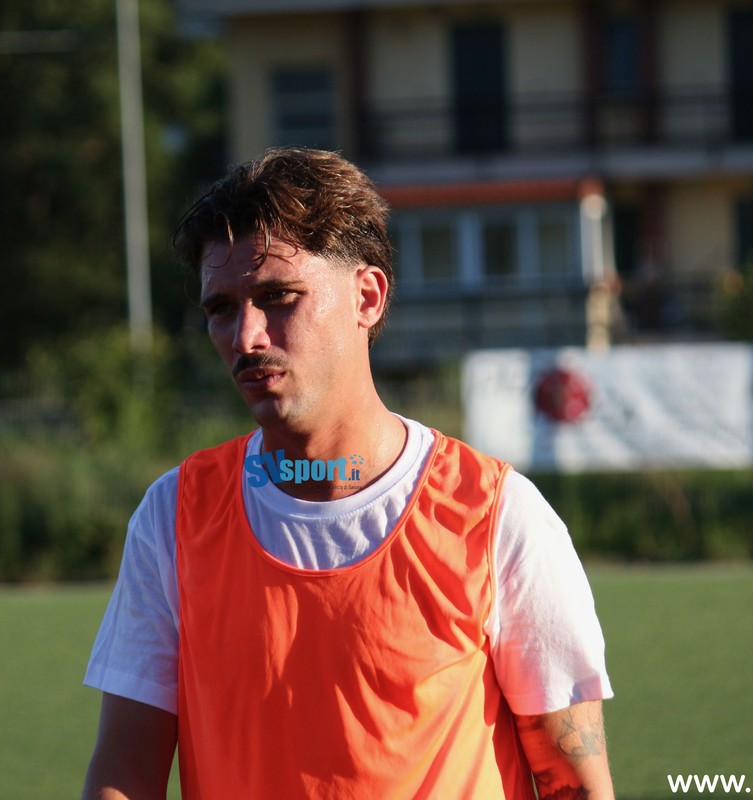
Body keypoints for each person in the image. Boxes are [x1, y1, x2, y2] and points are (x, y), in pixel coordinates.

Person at [81, 147, 615, 800]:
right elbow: (125, 774)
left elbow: (574, 783)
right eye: (220, 309)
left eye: (277, 297)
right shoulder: (175, 516)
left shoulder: (496, 514)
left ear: (367, 297)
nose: (246, 336)